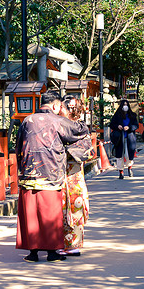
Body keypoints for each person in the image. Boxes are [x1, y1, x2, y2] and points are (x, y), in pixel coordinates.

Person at [15, 90, 90, 262]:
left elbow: (18, 146)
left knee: (31, 214)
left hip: (28, 173)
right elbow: (80, 130)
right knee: (50, 214)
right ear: (56, 105)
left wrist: (21, 170)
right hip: (50, 173)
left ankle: (32, 253)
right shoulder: (58, 120)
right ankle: (52, 252)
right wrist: (65, 115)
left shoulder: (27, 120)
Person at [59, 95, 94, 256]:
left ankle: (74, 243)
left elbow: (87, 150)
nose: (72, 110)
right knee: (60, 208)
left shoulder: (81, 127)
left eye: (74, 107)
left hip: (73, 172)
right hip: (60, 173)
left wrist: (66, 152)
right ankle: (59, 242)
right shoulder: (58, 125)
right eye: (69, 107)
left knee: (76, 205)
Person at [109, 100, 138, 178]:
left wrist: (129, 127)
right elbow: (111, 124)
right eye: (124, 105)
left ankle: (129, 168)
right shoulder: (117, 115)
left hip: (129, 137)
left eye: (126, 105)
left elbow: (136, 125)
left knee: (128, 154)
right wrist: (118, 126)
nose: (125, 106)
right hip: (119, 138)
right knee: (120, 155)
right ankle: (121, 171)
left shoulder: (132, 115)